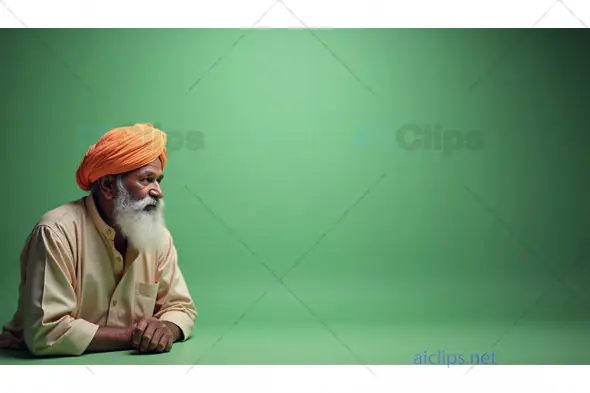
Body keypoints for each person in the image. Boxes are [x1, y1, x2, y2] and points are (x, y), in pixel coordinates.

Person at [0, 123, 197, 357]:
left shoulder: (159, 237)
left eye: (158, 180)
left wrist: (166, 329)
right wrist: (136, 335)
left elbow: (180, 307)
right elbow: (46, 333)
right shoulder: (55, 232)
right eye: (146, 180)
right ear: (107, 185)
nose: (158, 191)